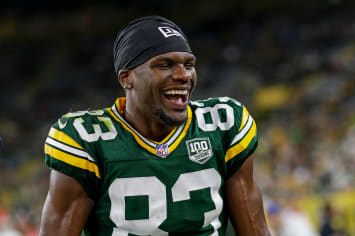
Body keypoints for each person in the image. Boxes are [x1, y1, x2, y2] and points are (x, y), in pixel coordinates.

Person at [39, 16, 270, 236]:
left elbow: (255, 229)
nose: (183, 75)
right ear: (126, 78)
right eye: (164, 65)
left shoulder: (222, 125)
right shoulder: (86, 139)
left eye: (188, 64)